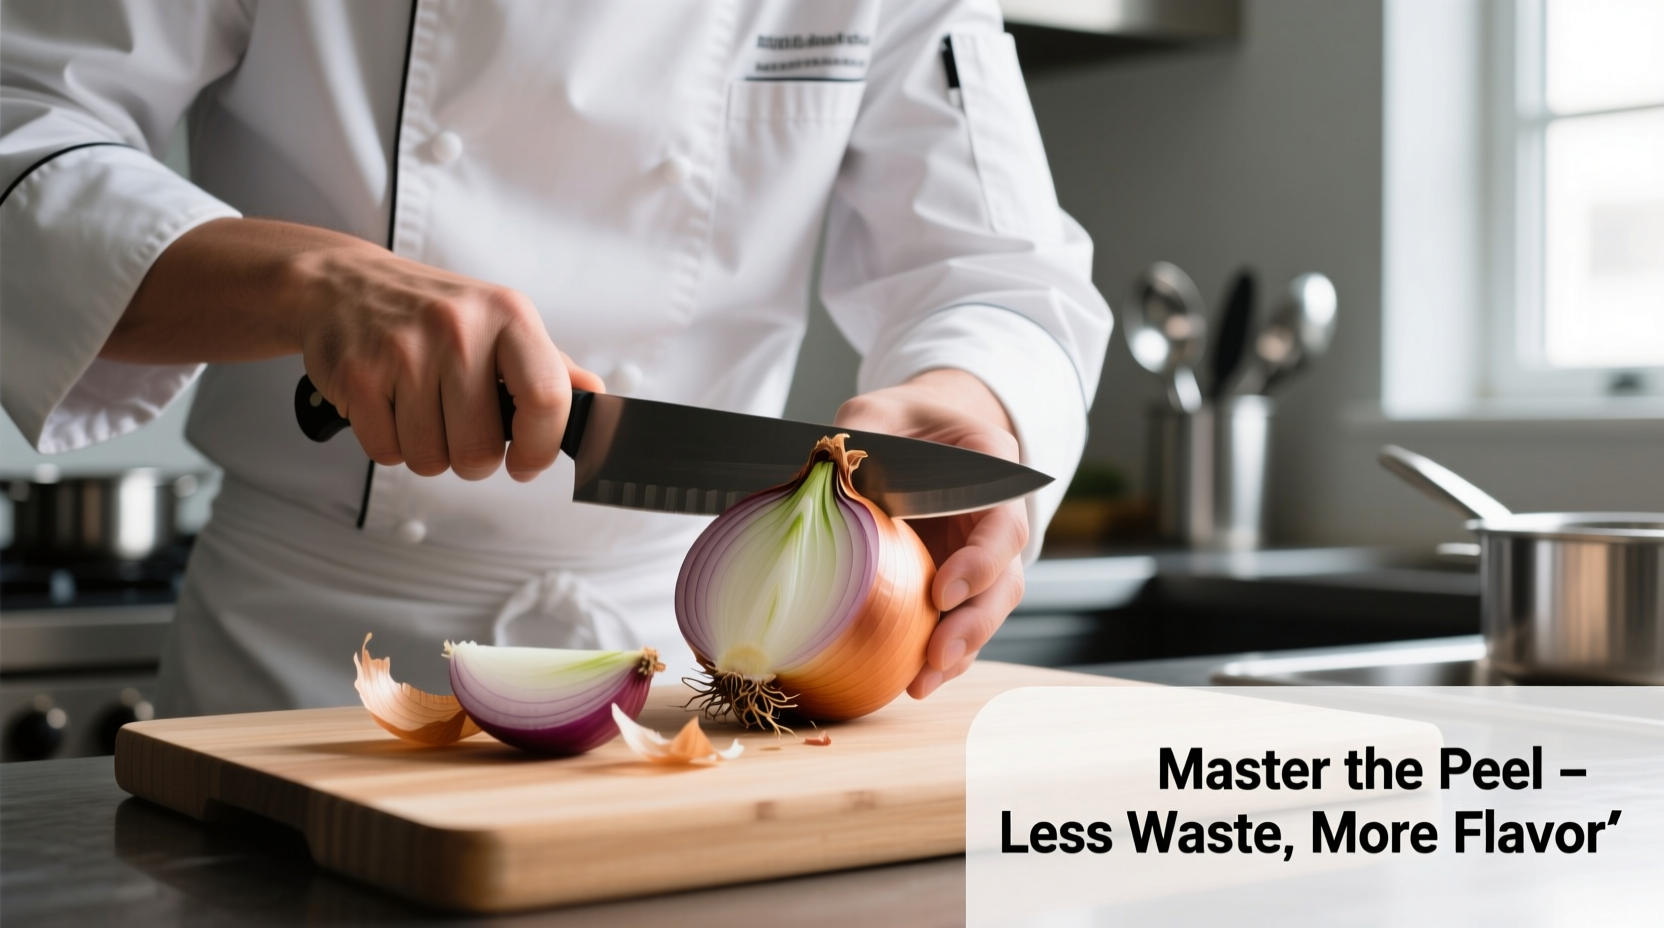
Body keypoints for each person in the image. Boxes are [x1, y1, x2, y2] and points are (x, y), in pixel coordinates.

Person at [0, 0, 1111, 716]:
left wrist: (973, 393)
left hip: (693, 675)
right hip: (306, 672)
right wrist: (312, 281)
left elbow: (1001, 267)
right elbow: (22, 129)